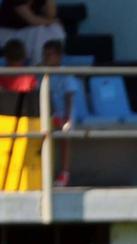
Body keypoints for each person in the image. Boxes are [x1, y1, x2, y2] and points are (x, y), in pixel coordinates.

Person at [40, 39, 78, 185]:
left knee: (64, 140)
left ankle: (64, 173)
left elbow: (69, 97)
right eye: (45, 55)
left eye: (50, 55)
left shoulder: (66, 74)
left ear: (59, 56)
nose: (46, 58)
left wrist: (67, 119)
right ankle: (44, 172)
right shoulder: (42, 73)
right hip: (46, 115)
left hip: (63, 115)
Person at [0, 0, 63, 65]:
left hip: (27, 31)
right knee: (38, 33)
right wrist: (53, 22)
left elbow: (51, 15)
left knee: (55, 29)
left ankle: (53, 63)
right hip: (8, 33)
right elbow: (32, 20)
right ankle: (37, 67)